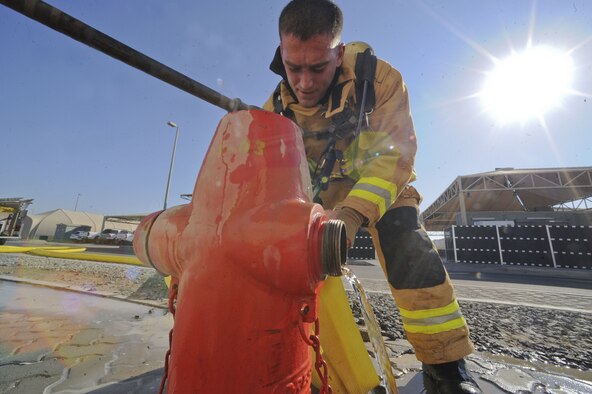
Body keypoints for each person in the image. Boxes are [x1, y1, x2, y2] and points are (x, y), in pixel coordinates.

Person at [263, 1, 481, 393]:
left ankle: (445, 369)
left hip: (382, 191)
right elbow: (267, 180)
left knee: (409, 251)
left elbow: (395, 158)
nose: (305, 82)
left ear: (339, 54)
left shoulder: (379, 81)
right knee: (285, 271)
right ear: (282, 54)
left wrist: (349, 216)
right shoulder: (275, 110)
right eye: (294, 68)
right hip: (318, 205)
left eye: (317, 68)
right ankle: (306, 362)